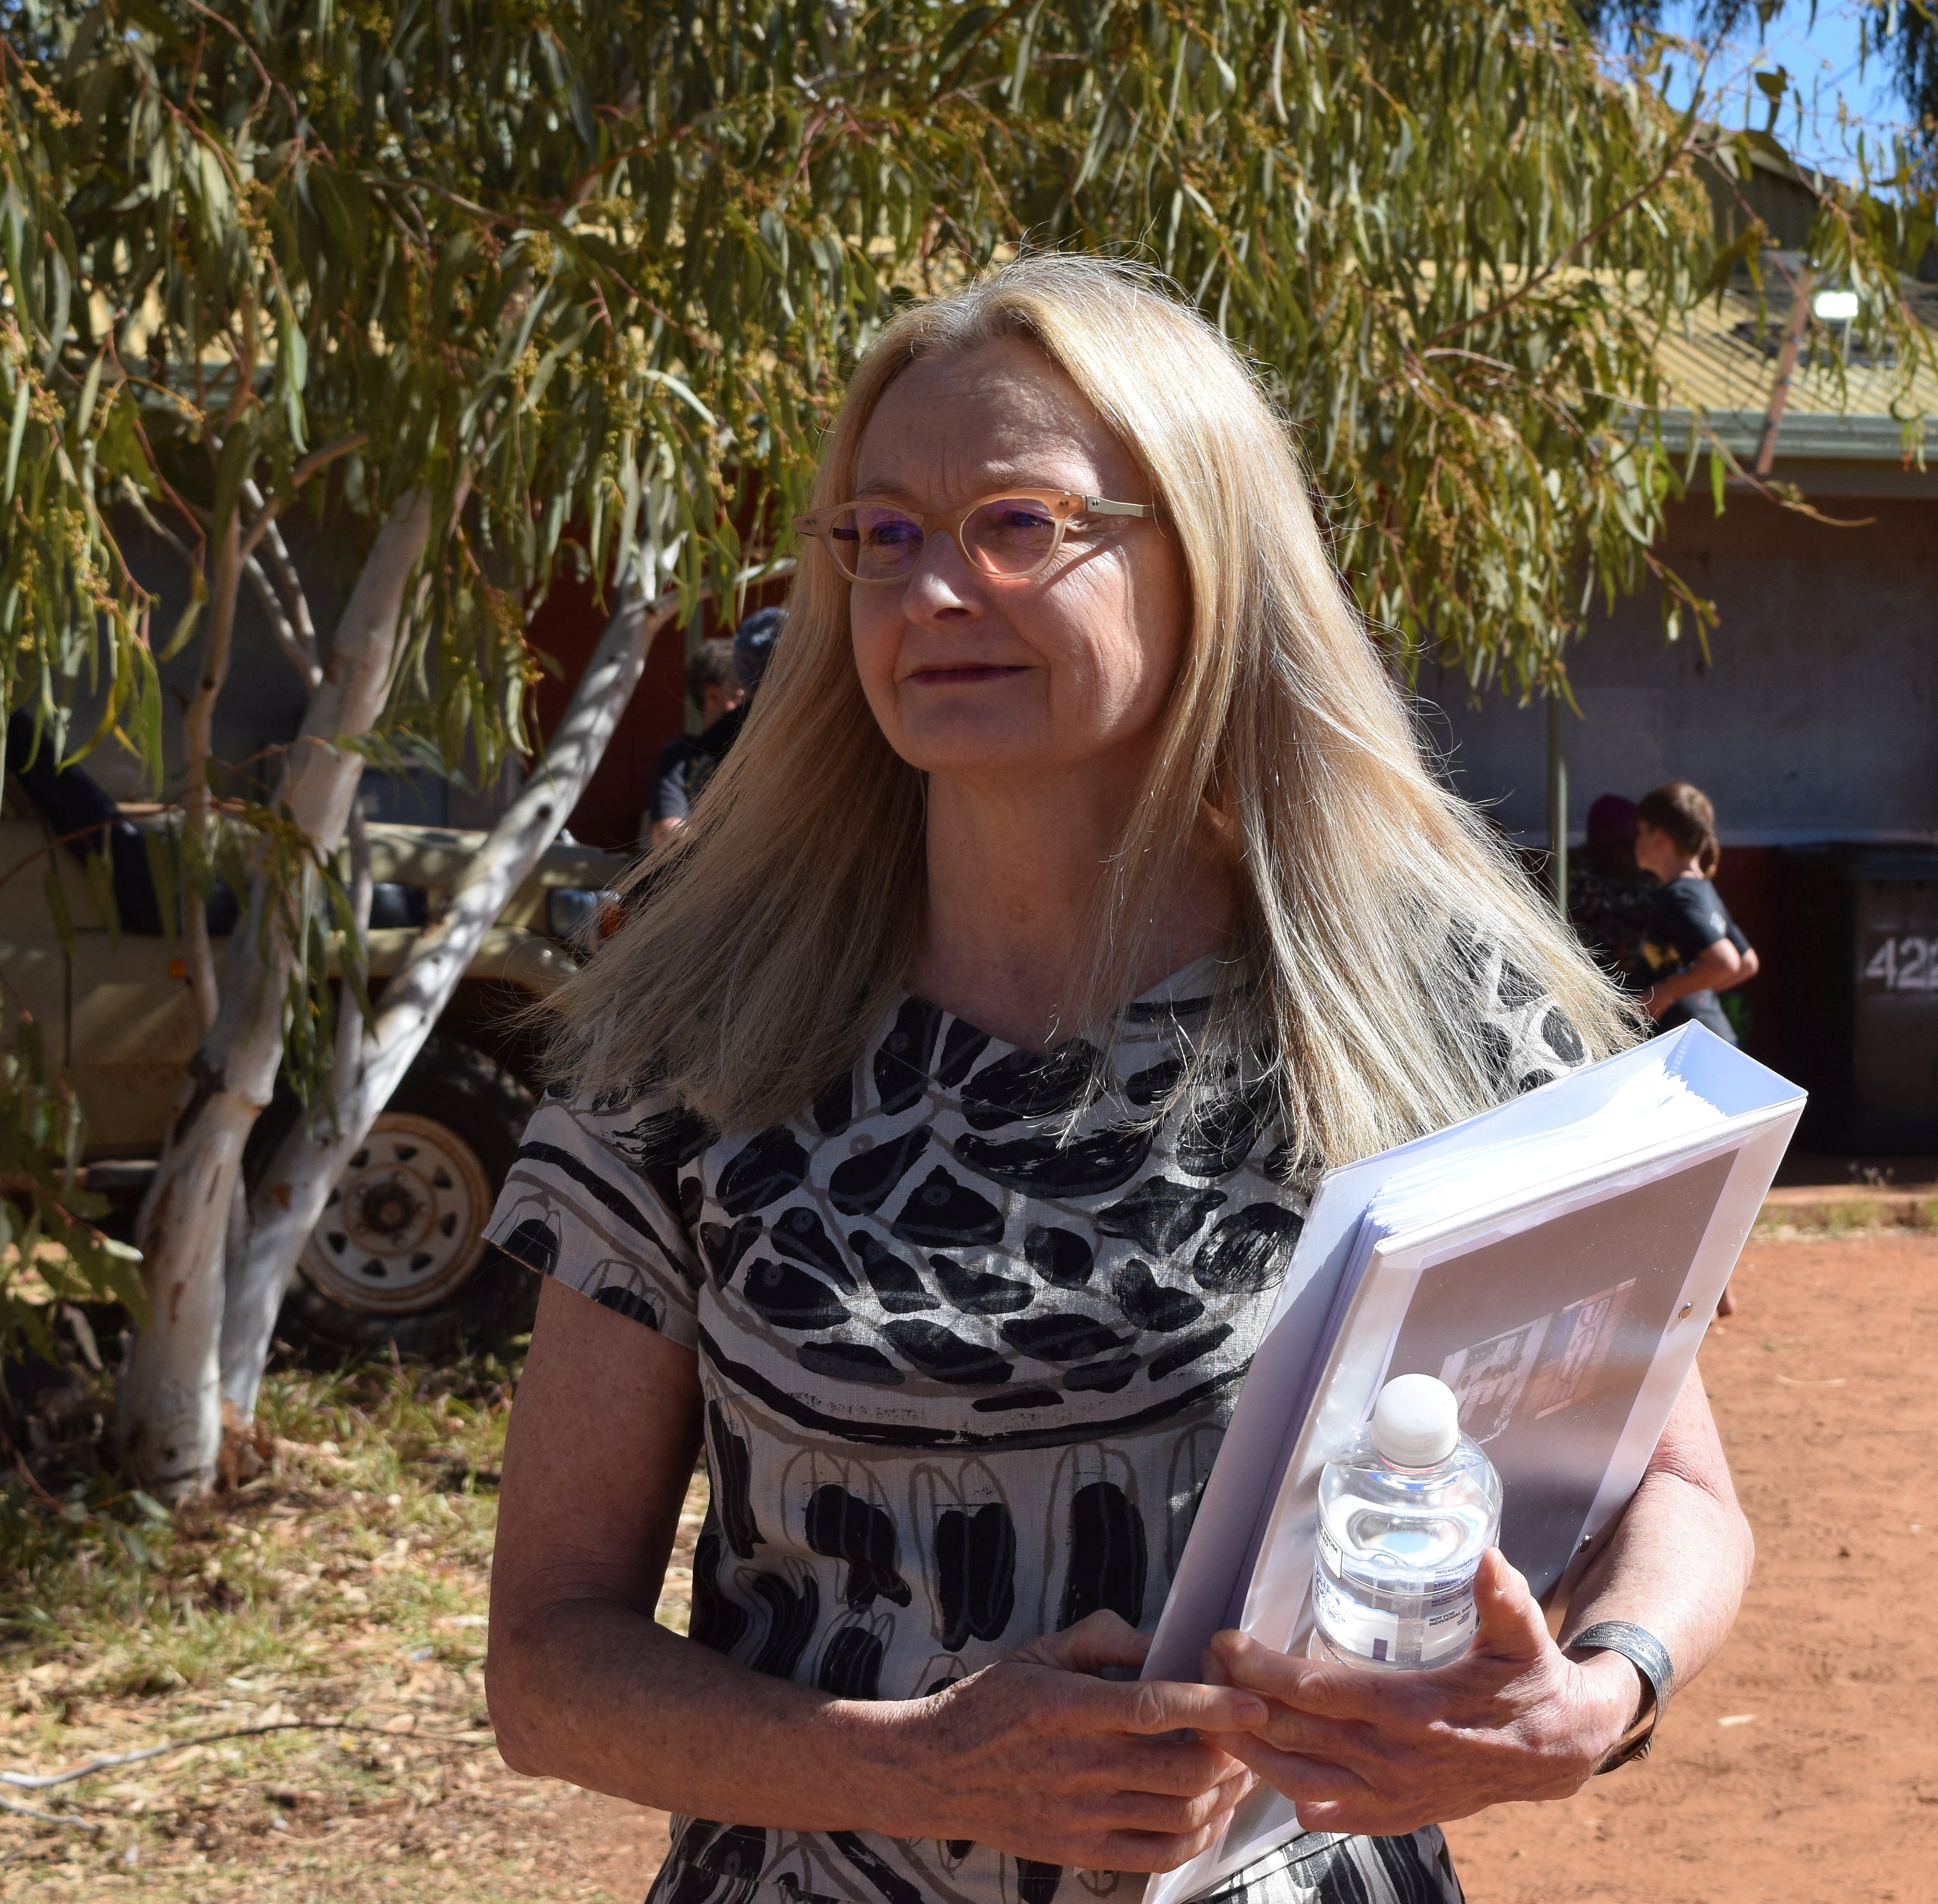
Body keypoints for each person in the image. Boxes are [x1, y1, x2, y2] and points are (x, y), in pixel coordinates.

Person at [479, 256, 1753, 1904]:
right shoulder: (698, 1033)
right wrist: (912, 1759)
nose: (930, 589)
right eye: (882, 534)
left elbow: (1678, 1492)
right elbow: (546, 1659)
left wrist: (1596, 1689)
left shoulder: (1435, 1012)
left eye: (1015, 523)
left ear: (1204, 555)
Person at [647, 609, 787, 849]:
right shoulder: (681, 755)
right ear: (712, 696)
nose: (748, 706)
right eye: (741, 694)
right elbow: (667, 832)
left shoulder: (773, 737)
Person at [1629, 782, 1757, 1042]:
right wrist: (1693, 988)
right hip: (1710, 1037)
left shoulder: (1680, 897)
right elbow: (1747, 963)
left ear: (1659, 838)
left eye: (1641, 831)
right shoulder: (1702, 891)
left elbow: (1727, 963)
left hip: (1686, 1047)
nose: (1636, 840)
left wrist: (1667, 992)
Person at [1562, 792, 1665, 1000]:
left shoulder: (1651, 878)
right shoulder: (1576, 881)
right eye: (1612, 847)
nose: (1622, 855)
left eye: (1629, 846)